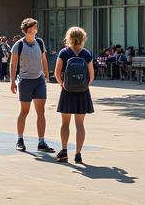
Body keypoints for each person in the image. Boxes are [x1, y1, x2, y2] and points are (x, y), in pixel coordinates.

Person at [10, 18, 54, 154]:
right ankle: (20, 140)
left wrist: (46, 76)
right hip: (25, 80)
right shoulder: (19, 45)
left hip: (39, 80)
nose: (34, 29)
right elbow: (13, 64)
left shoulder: (39, 42)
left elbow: (44, 59)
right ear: (26, 30)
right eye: (32, 27)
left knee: (41, 111)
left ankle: (41, 142)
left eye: (35, 27)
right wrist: (12, 81)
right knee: (25, 111)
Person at [54, 26, 94, 164]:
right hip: (83, 92)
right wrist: (84, 86)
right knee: (80, 124)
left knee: (65, 123)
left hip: (67, 91)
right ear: (83, 38)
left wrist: (63, 85)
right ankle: (78, 154)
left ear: (68, 37)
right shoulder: (86, 54)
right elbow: (92, 75)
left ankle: (64, 151)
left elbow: (57, 72)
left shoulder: (64, 52)